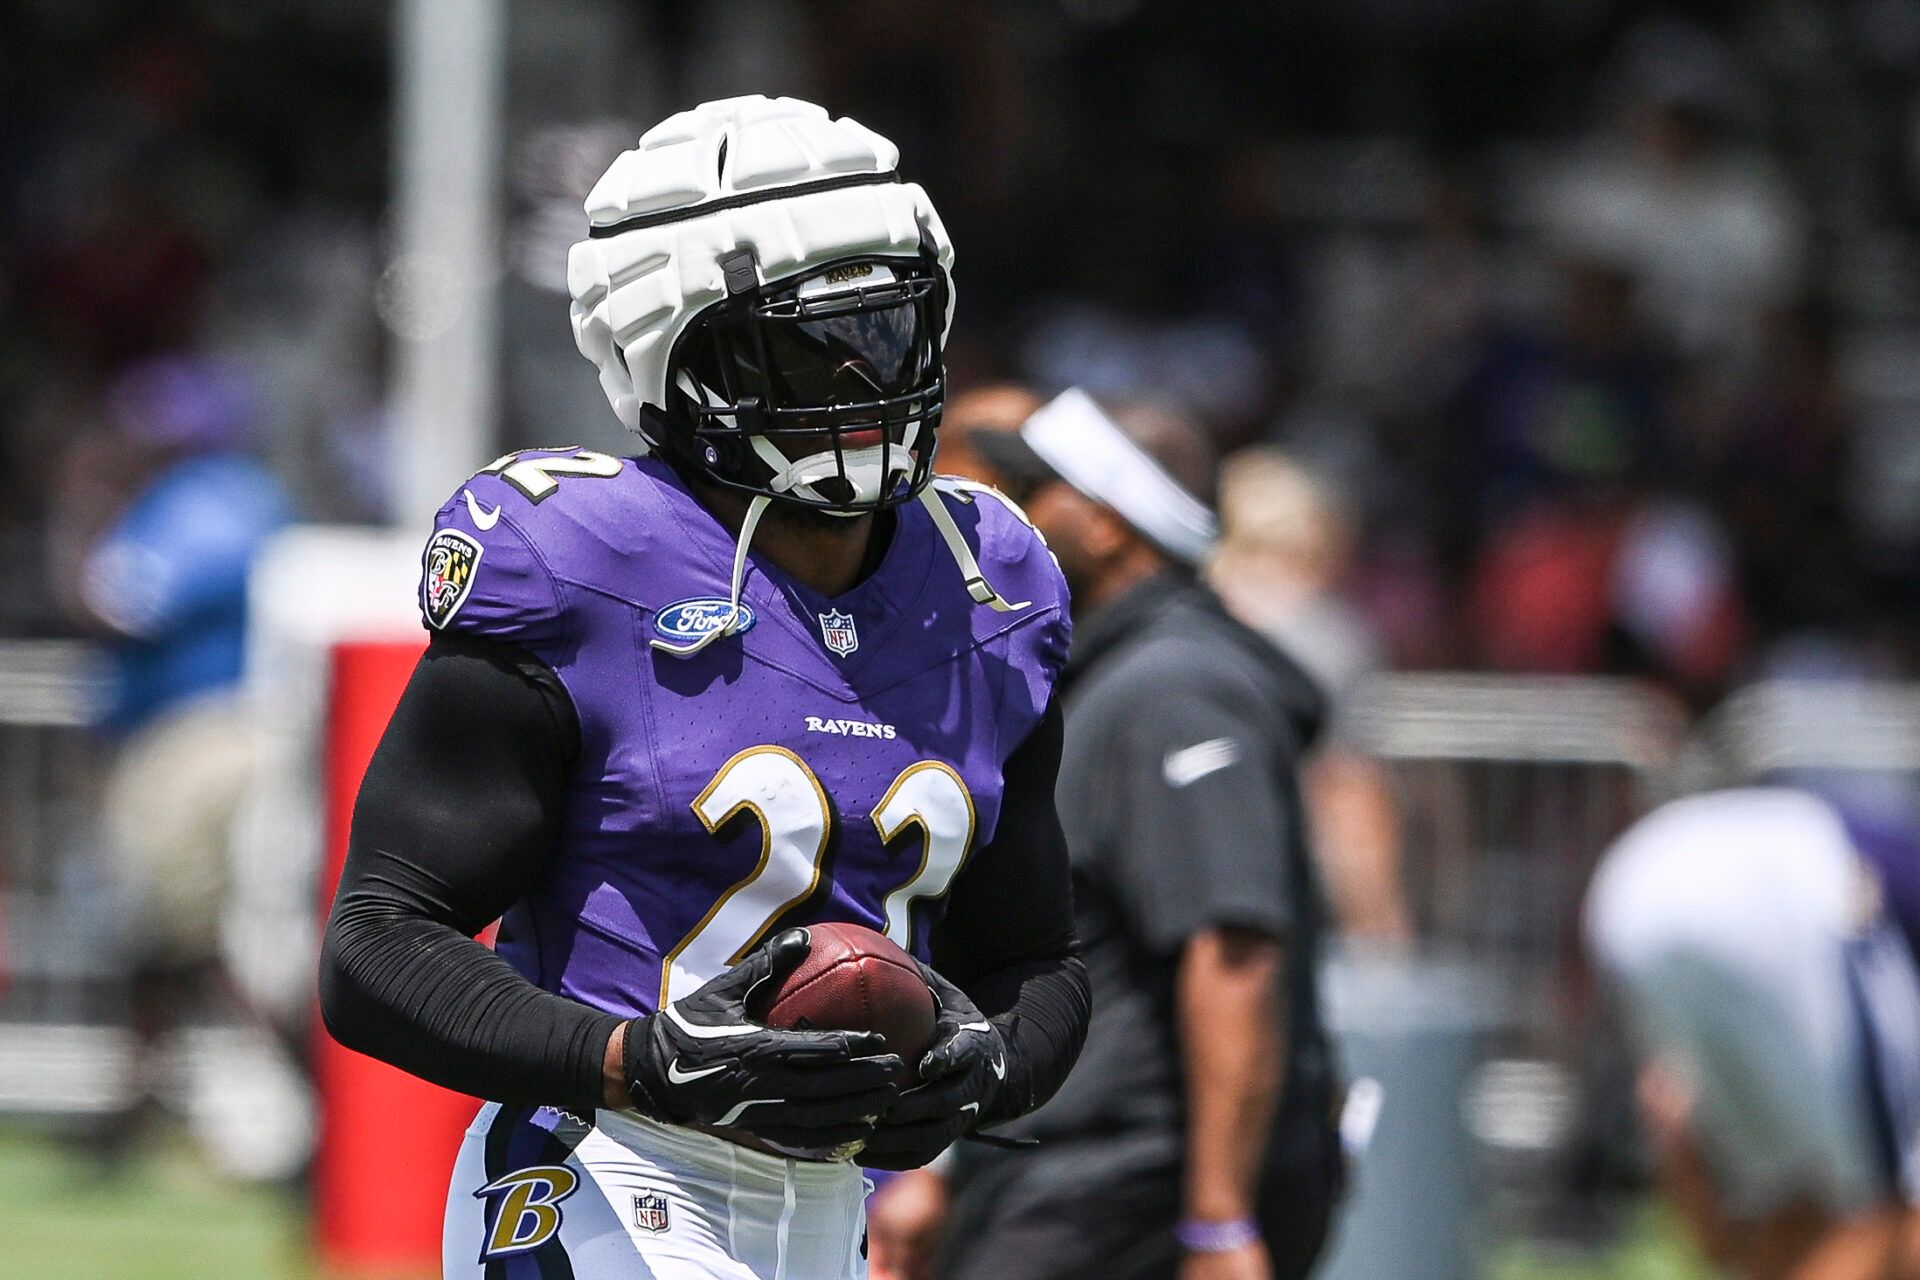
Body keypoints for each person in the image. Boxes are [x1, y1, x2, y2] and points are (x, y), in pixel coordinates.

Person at [317, 95, 1090, 1280]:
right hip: (603, 1168)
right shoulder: (582, 559)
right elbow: (378, 942)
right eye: (809, 342)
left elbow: (1038, 958)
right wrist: (632, 1056)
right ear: (679, 355)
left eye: (888, 330)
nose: (864, 377)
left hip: (837, 1209)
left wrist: (981, 1066)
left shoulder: (994, 583)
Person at [873, 389, 1342, 1280]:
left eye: (1034, 488)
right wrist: (941, 1170)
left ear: (1106, 524)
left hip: (1132, 1187)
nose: (1004, 516)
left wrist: (1217, 1219)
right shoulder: (1107, 676)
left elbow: (1234, 947)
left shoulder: (1173, 688)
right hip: (1073, 1174)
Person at [50, 354, 292, 1160]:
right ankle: (134, 1111)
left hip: (199, 742)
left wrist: (80, 507)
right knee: (165, 938)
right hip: (204, 738)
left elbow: (117, 606)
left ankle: (310, 1101)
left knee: (194, 936)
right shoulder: (222, 496)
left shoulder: (207, 502)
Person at [1586, 788, 1920, 1280]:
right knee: (1879, 1208)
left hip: (1631, 881)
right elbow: (1892, 1221)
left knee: (1772, 1214)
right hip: (1799, 895)